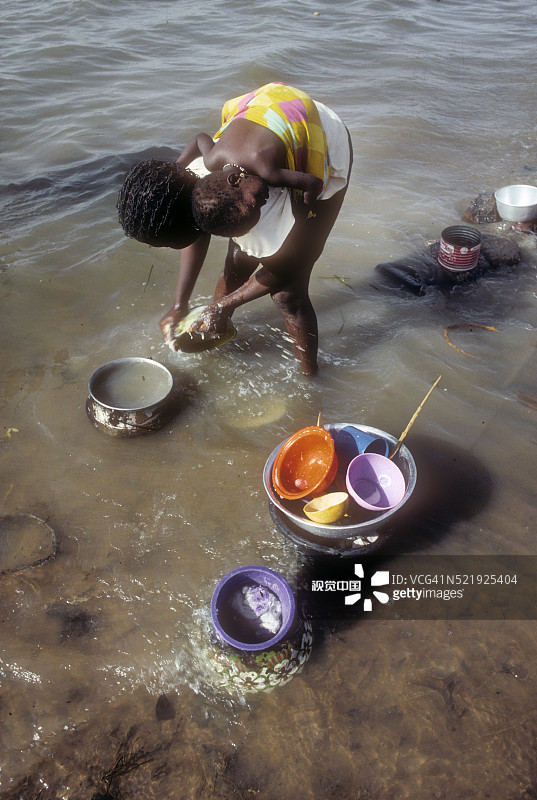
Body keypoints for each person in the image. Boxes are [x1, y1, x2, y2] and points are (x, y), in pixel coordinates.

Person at [117, 82, 353, 375]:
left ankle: (311, 379)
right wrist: (181, 303)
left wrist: (306, 219)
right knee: (239, 261)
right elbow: (197, 229)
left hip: (319, 140)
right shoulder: (198, 184)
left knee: (288, 295)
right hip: (272, 119)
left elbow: (284, 269)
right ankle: (218, 326)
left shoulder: (236, 192)